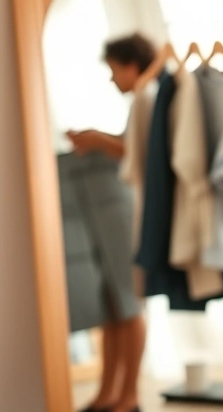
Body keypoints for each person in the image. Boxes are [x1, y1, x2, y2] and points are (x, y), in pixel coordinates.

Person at [68, 33, 156, 412]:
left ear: (131, 65)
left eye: (113, 70)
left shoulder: (149, 97)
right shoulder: (144, 101)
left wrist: (97, 139)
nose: (111, 79)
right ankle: (109, 393)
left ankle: (129, 395)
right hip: (117, 210)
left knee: (129, 301)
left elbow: (142, 154)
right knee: (114, 304)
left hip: (128, 210)